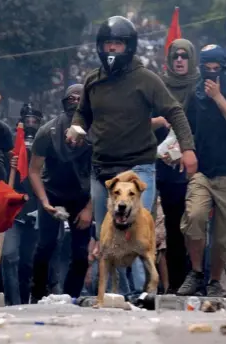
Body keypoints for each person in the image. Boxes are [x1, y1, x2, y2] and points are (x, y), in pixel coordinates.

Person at [69, 16, 197, 294]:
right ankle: (121, 295)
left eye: (118, 44)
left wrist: (187, 149)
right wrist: (76, 128)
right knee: (109, 239)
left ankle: (143, 292)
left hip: (138, 168)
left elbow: (174, 111)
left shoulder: (146, 79)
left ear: (129, 47)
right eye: (108, 44)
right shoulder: (93, 79)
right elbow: (83, 112)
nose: (112, 50)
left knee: (136, 231)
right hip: (103, 170)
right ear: (100, 47)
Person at [176, 44, 226, 297]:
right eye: (206, 69)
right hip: (203, 171)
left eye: (215, 69)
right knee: (194, 216)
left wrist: (218, 97)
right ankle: (196, 273)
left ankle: (214, 281)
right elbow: (185, 127)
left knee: (225, 234)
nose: (211, 73)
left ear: (223, 67)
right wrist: (183, 151)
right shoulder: (194, 92)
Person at [29, 84, 93, 301]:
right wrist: (45, 201)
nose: (74, 103)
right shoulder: (48, 131)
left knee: (80, 253)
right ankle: (37, 293)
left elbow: (101, 174)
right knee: (46, 245)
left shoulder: (96, 133)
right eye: (70, 99)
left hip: (82, 196)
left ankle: (70, 297)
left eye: (79, 100)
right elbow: (34, 170)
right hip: (52, 193)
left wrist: (89, 209)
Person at [156, 38, 200, 293]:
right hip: (166, 169)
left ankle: (198, 279)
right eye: (175, 57)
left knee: (194, 226)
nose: (180, 60)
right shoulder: (160, 87)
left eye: (184, 56)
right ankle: (174, 285)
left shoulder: (201, 88)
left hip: (195, 168)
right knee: (172, 229)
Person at [1, 103, 43, 305]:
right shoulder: (12, 143)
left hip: (36, 210)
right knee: (9, 256)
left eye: (35, 120)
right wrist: (8, 163)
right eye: (27, 120)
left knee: (28, 263)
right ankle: (14, 302)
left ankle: (27, 303)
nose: (31, 124)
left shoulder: (45, 143)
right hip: (14, 210)